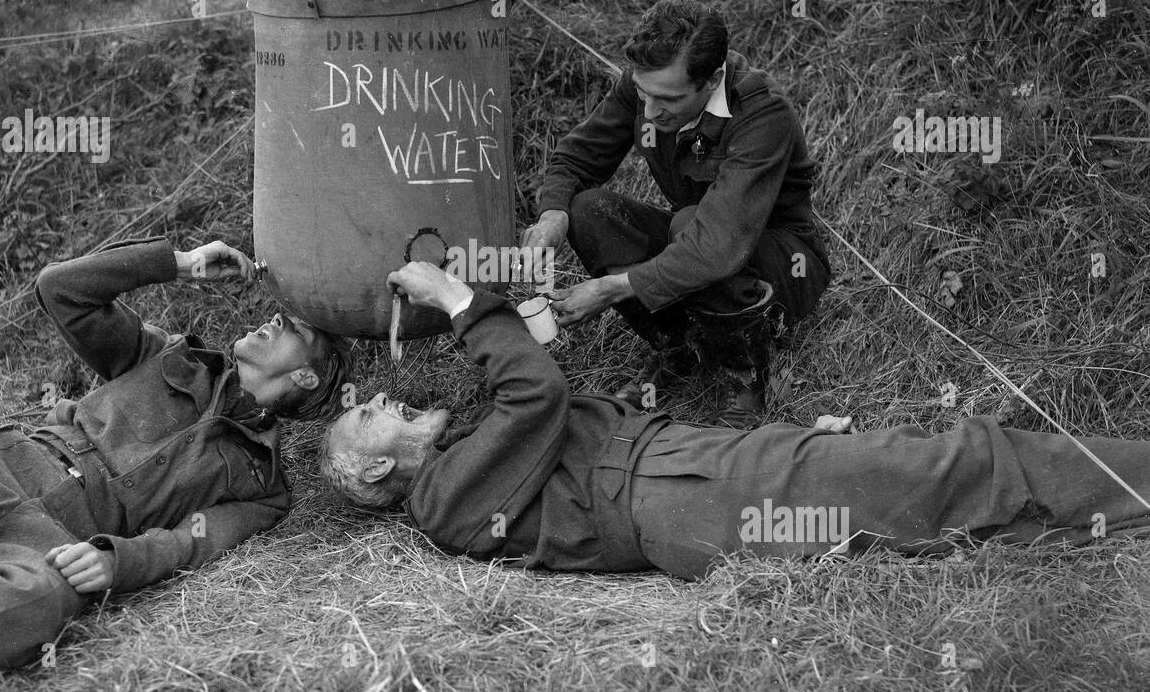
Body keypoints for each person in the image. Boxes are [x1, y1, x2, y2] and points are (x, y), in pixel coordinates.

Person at [319, 263, 1149, 576]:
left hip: (693, 469)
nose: (377, 400)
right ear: (372, 474)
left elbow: (532, 400)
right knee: (937, 466)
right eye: (364, 419)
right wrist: (458, 298)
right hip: (681, 493)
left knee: (913, 489)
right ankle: (1128, 484)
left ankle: (1105, 506)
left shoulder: (461, 459)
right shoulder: (437, 505)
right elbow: (534, 396)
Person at [0, 236, 349, 668]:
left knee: (36, 606)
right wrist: (177, 263)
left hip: (58, 535)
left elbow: (191, 543)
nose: (275, 319)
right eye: (282, 315)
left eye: (294, 329)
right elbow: (61, 289)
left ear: (305, 376)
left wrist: (118, 561)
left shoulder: (262, 486)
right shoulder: (167, 355)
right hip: (2, 465)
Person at [518, 0, 830, 424]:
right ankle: (679, 349)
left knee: (691, 225)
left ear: (713, 78)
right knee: (589, 209)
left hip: (779, 262)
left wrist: (612, 289)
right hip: (698, 237)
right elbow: (575, 159)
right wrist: (553, 214)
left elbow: (718, 245)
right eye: (643, 94)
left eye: (667, 99)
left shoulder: (762, 115)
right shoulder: (648, 87)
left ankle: (744, 373)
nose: (649, 111)